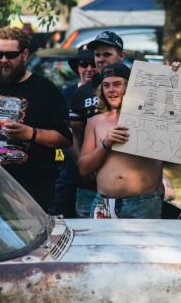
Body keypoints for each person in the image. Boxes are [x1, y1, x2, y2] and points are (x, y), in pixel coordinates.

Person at [0, 26, 72, 212]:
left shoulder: (45, 89)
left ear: (25, 54)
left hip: (30, 194)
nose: (3, 60)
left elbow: (64, 138)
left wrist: (30, 133)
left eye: (10, 55)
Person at [79, 63, 163, 219]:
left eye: (117, 84)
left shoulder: (152, 117)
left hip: (142, 204)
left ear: (129, 87)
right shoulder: (95, 122)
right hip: (104, 203)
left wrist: (178, 73)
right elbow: (83, 168)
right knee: (99, 244)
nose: (111, 90)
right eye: (106, 85)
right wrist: (105, 144)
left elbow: (176, 104)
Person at [69, 31, 125, 217]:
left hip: (127, 187)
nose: (100, 59)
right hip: (88, 187)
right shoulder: (82, 92)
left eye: (107, 54)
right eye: (97, 55)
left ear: (121, 56)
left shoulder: (137, 87)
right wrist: (84, 167)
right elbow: (73, 135)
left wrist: (176, 71)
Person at [50, 48, 96, 217]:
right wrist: (82, 165)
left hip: (98, 179)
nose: (89, 69)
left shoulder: (107, 93)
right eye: (84, 64)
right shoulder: (67, 93)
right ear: (77, 67)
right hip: (69, 173)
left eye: (93, 64)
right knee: (61, 222)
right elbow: (65, 132)